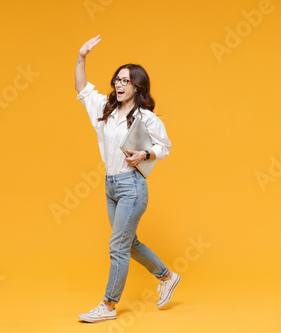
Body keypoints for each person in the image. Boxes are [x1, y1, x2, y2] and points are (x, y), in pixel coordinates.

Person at [75, 35, 180, 323]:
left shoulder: (146, 118)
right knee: (128, 243)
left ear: (137, 87)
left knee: (118, 246)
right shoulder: (105, 111)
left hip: (132, 186)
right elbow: (82, 88)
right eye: (117, 80)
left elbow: (165, 147)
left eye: (126, 81)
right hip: (110, 185)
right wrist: (82, 56)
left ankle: (108, 306)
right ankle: (167, 277)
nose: (119, 85)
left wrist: (144, 154)